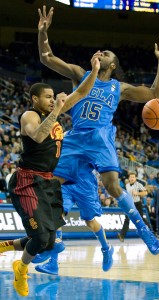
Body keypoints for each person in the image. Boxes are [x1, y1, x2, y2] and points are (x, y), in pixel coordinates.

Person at [37, 6, 159, 256]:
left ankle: (145, 232)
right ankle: (54, 244)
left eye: (106, 52)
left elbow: (155, 95)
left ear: (112, 64)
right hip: (76, 137)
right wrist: (43, 33)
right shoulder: (81, 74)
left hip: (100, 137)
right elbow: (47, 57)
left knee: (112, 186)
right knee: (51, 185)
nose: (101, 52)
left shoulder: (119, 88)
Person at [3, 56, 100, 297]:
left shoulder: (53, 112)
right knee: (41, 237)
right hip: (27, 181)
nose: (52, 99)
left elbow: (81, 94)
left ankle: (5, 246)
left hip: (47, 181)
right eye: (47, 97)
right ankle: (20, 269)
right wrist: (57, 108)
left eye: (52, 97)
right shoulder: (29, 116)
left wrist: (95, 71)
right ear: (35, 99)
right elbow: (36, 136)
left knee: (48, 242)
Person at [33, 163, 113, 275]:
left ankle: (106, 248)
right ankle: (53, 263)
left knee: (90, 222)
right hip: (65, 179)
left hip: (85, 183)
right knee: (57, 214)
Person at [117, 172, 148, 242]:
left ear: (135, 178)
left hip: (137, 203)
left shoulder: (139, 185)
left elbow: (145, 192)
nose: (132, 178)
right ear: (129, 178)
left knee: (141, 219)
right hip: (129, 204)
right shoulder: (127, 185)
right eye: (131, 177)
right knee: (127, 219)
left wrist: (137, 193)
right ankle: (122, 235)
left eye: (133, 177)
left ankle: (150, 232)